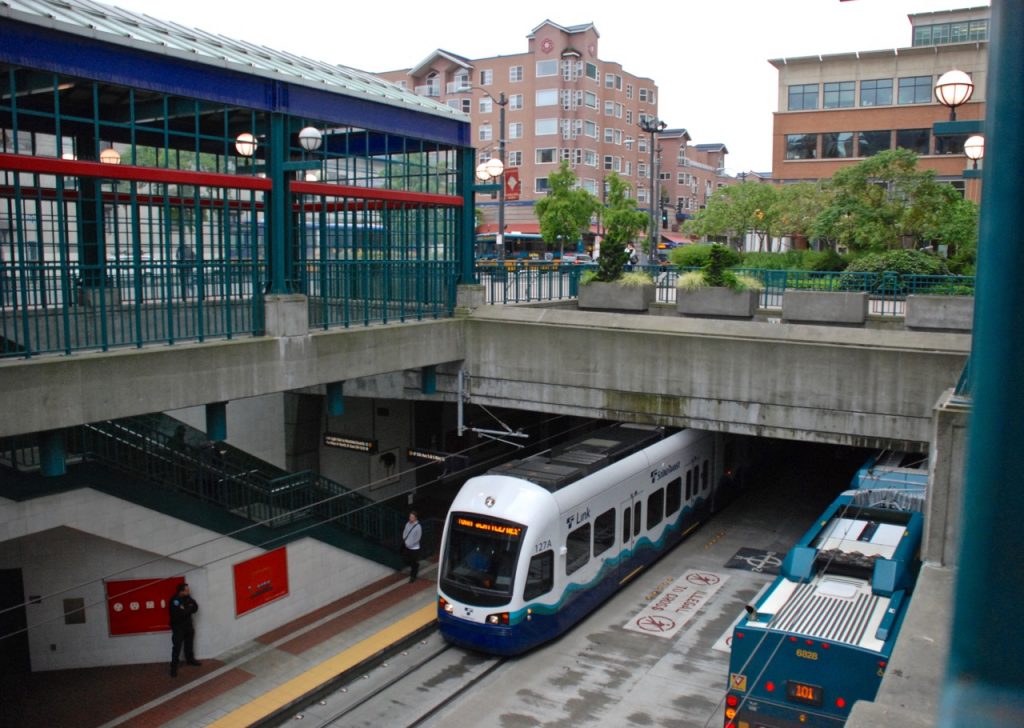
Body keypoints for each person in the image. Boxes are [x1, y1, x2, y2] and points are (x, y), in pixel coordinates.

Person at [168, 582, 201, 677]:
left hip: (188, 626)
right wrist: (188, 609)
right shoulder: (175, 600)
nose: (189, 591)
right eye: (186, 590)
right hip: (178, 627)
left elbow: (195, 607)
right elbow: (180, 613)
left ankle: (190, 660)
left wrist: (186, 609)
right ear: (181, 591)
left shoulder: (188, 598)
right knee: (177, 647)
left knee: (189, 644)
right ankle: (174, 667)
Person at [401, 511, 422, 583]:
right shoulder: (407, 524)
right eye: (410, 517)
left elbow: (418, 538)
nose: (410, 518)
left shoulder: (418, 527)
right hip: (407, 546)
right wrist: (404, 539)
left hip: (414, 548)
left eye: (412, 517)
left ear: (415, 518)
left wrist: (411, 544)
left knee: (413, 562)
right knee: (406, 560)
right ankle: (416, 565)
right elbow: (405, 532)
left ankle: (413, 576)